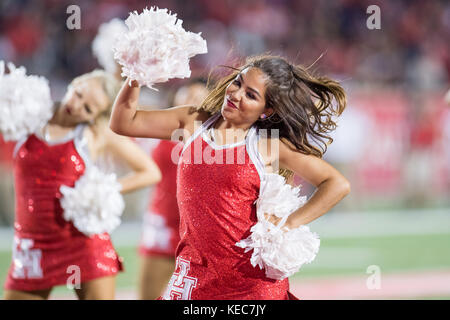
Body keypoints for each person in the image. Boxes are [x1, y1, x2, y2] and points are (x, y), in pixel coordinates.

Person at [109, 55, 351, 300]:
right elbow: (122, 122)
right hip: (193, 276)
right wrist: (135, 75)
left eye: (251, 95)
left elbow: (336, 184)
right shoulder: (193, 123)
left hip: (250, 286)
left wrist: (288, 224)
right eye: (238, 82)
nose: (235, 94)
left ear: (267, 110)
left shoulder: (267, 146)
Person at [3, 69, 162, 300]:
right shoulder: (28, 115)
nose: (76, 106)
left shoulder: (94, 133)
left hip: (83, 244)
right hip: (31, 245)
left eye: (88, 108)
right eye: (78, 94)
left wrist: (106, 190)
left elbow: (150, 172)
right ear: (73, 83)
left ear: (94, 116)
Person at [138, 79, 209, 300]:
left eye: (198, 98)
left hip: (202, 233)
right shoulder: (160, 127)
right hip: (163, 227)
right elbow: (121, 120)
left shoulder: (221, 137)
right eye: (186, 96)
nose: (191, 102)